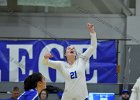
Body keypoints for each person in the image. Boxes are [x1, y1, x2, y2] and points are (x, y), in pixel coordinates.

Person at [43, 23, 97, 100]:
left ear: (75, 53)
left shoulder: (81, 60)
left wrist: (92, 32)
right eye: (69, 48)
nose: (71, 49)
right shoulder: (61, 65)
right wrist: (45, 58)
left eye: (73, 48)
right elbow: (46, 63)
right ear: (65, 54)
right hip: (67, 97)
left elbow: (93, 46)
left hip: (82, 97)